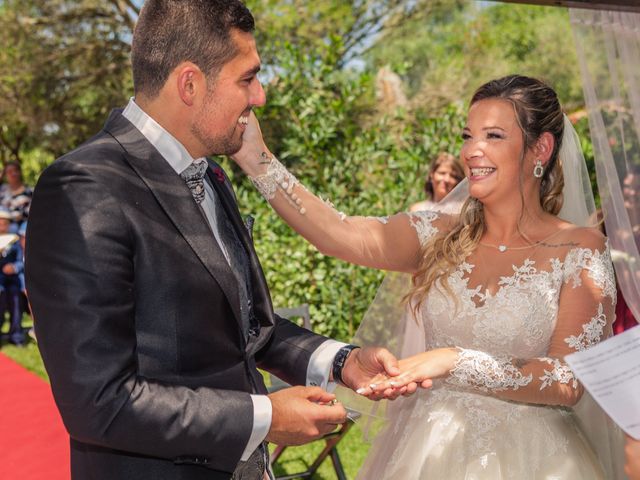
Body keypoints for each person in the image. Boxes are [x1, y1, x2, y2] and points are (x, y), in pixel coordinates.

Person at [24, 2, 408, 479]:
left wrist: (341, 362)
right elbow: (99, 403)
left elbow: (248, 328)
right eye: (247, 79)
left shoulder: (213, 176)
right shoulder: (84, 187)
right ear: (190, 84)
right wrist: (266, 417)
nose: (260, 97)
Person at [231, 74, 624, 478]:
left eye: (493, 136)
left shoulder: (580, 249)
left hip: (535, 460)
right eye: (468, 135)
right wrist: (255, 156)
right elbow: (339, 232)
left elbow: (567, 380)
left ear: (540, 148)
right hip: (428, 450)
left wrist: (453, 361)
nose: (472, 150)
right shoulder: (439, 234)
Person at [0, 207, 24, 346]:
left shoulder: (14, 240)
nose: (2, 226)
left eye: (5, 223)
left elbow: (22, 260)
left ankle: (16, 336)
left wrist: (14, 267)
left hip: (13, 279)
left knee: (16, 305)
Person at [0, 161, 33, 230]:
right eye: (9, 172)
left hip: (23, 229)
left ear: (20, 172)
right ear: (5, 175)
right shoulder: (2, 191)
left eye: (15, 170)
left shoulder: (29, 191)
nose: (13, 173)